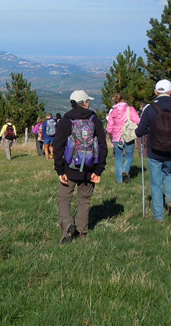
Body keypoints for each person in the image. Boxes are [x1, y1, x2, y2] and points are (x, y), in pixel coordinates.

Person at [53, 90, 108, 243]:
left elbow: (58, 146)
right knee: (84, 199)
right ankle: (82, 230)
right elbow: (103, 146)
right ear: (85, 102)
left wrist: (60, 169)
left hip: (70, 168)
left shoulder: (65, 121)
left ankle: (67, 224)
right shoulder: (95, 120)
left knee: (64, 198)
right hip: (90, 169)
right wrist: (99, 170)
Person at [135, 79, 171, 220]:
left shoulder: (149, 108)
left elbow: (140, 131)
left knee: (156, 183)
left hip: (154, 150)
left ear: (156, 92)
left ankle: (158, 215)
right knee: (168, 175)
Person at [106, 93, 140, 184]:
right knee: (129, 156)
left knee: (119, 158)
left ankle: (119, 180)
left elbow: (109, 127)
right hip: (128, 136)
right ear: (124, 100)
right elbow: (138, 121)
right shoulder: (130, 109)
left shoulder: (113, 111)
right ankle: (125, 170)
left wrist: (111, 136)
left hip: (117, 137)